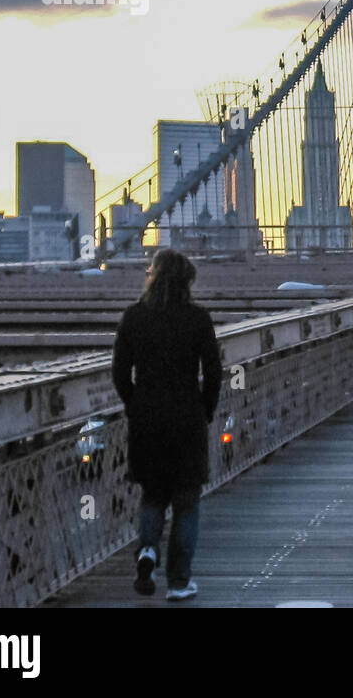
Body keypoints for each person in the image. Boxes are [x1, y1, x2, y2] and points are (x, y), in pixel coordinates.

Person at [112, 249, 222, 600]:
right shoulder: (198, 319)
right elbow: (214, 372)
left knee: (154, 495)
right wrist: (205, 408)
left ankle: (147, 551)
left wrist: (134, 403)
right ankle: (178, 581)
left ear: (153, 276)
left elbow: (118, 372)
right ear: (188, 282)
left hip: (147, 419)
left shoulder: (133, 318)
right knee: (187, 501)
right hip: (186, 418)